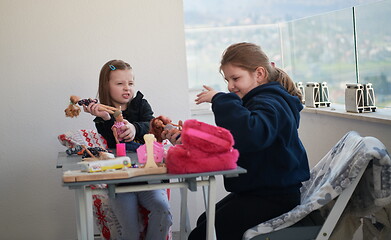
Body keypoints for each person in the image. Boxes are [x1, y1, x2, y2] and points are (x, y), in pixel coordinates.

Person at [166, 42, 310, 240]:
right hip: (259, 192)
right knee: (204, 222)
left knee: (201, 235)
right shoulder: (260, 102)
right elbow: (231, 140)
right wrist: (189, 139)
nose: (230, 86)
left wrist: (220, 99)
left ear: (259, 74)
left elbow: (249, 134)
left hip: (274, 197)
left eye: (235, 78)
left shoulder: (271, 103)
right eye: (227, 80)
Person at [84, 59, 172, 240]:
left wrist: (134, 128)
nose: (127, 88)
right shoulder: (102, 115)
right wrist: (107, 118)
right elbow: (111, 140)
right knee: (129, 230)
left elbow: (152, 124)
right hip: (121, 182)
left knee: (162, 210)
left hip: (147, 178)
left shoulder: (140, 103)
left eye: (130, 83)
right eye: (119, 83)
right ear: (106, 86)